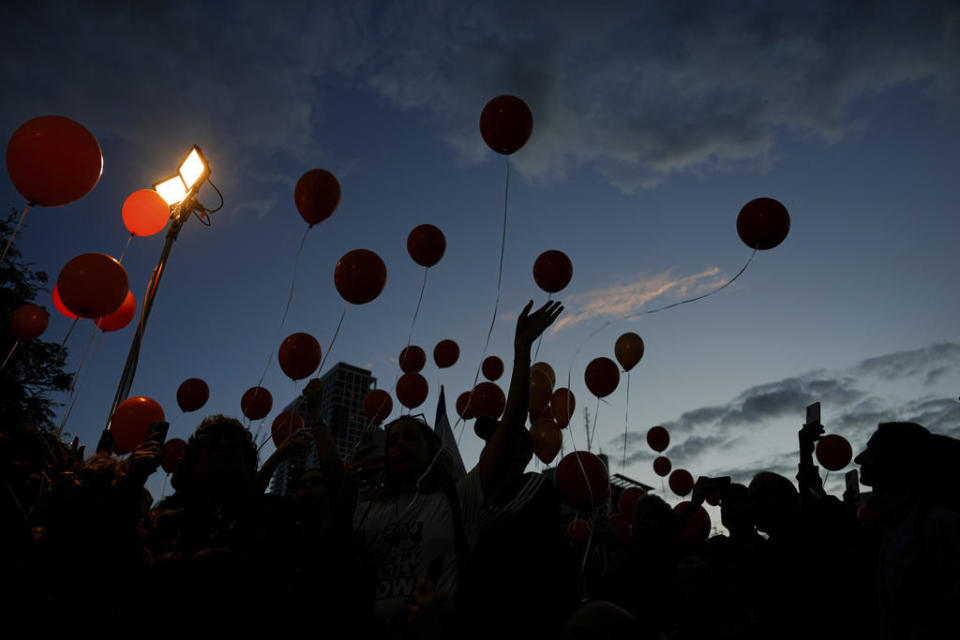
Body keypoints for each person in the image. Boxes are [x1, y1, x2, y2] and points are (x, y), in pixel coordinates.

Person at [346, 299, 562, 638]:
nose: (398, 444)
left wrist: (521, 351)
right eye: (393, 440)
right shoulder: (365, 508)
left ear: (433, 451)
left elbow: (509, 430)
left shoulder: (457, 500)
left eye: (410, 438)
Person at [855, 422, 960, 639]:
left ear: (896, 459)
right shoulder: (890, 526)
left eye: (871, 450)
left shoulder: (939, 524)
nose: (859, 459)